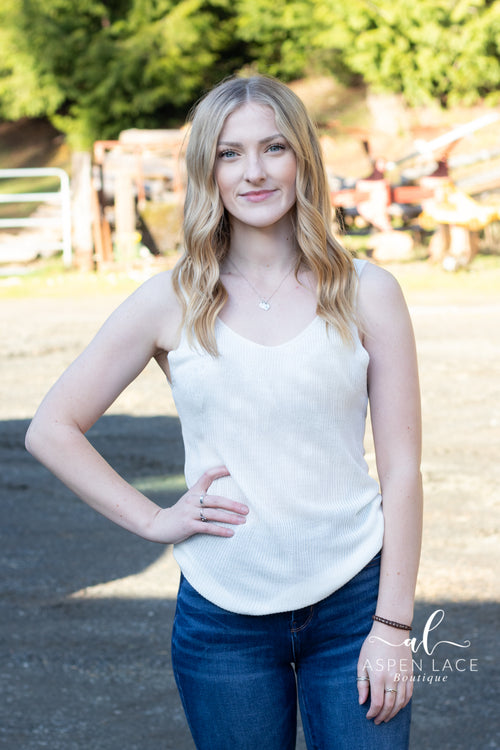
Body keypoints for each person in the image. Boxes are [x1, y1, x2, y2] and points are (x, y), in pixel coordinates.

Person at [26, 75, 423, 750]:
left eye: (274, 147)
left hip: (355, 607)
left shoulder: (367, 292)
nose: (254, 171)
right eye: (230, 154)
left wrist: (392, 626)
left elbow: (404, 472)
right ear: (207, 171)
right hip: (223, 620)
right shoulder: (170, 300)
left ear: (303, 157)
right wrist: (153, 519)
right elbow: (51, 429)